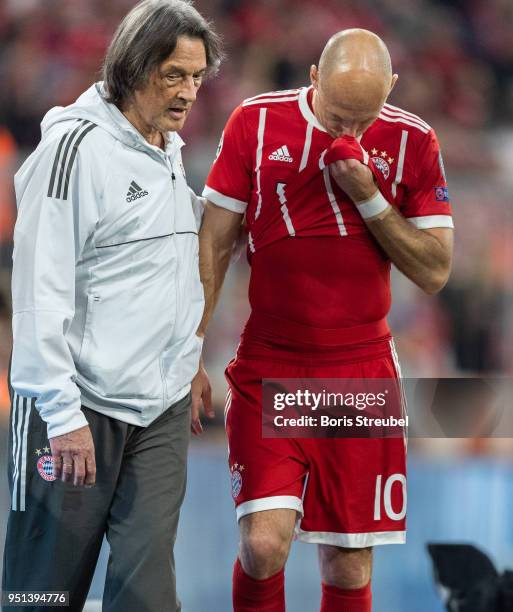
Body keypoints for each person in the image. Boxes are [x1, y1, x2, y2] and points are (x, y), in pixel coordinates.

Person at [199, 29, 453, 612]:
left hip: (360, 372)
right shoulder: (255, 123)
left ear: (391, 88)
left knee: (347, 562)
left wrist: (367, 195)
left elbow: (436, 270)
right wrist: (191, 351)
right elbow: (212, 243)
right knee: (264, 544)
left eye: (363, 120)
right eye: (338, 115)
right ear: (313, 76)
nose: (350, 133)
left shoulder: (415, 140)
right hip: (273, 363)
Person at [2, 1, 220, 610]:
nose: (187, 93)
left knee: (148, 597)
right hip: (76, 408)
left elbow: (167, 276)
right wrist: (60, 411)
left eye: (198, 77)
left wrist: (190, 358)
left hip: (162, 411)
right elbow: (39, 289)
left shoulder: (168, 150)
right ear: (132, 66)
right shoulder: (75, 151)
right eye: (173, 74)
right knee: (40, 596)